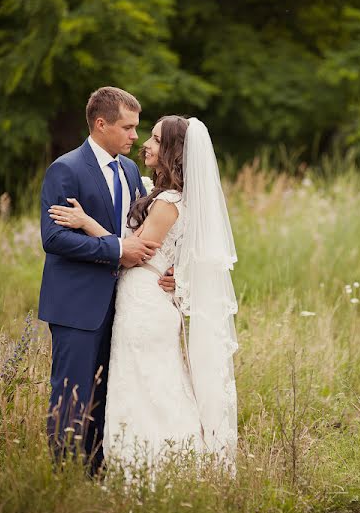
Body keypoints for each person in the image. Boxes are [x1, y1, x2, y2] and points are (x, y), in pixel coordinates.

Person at [48, 115, 239, 477]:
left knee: (148, 385)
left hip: (145, 305)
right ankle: (133, 466)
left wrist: (86, 222)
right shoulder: (157, 191)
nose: (144, 144)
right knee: (138, 383)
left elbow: (136, 250)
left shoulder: (168, 202)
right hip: (141, 298)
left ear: (172, 151)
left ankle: (162, 470)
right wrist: (176, 274)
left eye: (154, 139)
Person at [38, 86, 174, 475]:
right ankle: (65, 479)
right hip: (78, 305)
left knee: (105, 395)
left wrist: (171, 268)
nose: (136, 135)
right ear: (101, 124)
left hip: (125, 303)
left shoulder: (130, 171)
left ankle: (96, 474)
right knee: (71, 395)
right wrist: (117, 251)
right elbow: (54, 238)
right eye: (128, 128)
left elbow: (145, 231)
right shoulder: (66, 169)